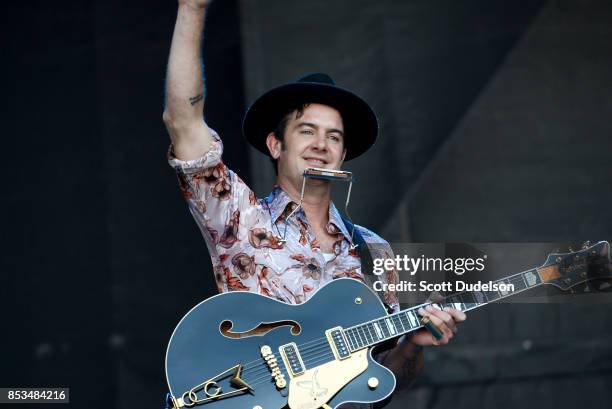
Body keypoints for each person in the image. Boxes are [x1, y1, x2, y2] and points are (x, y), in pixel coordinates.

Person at [163, 0, 467, 406]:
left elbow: (380, 384)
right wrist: (193, 8)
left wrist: (413, 343)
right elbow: (183, 122)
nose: (321, 145)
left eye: (334, 136)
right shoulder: (238, 215)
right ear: (276, 145)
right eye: (307, 131)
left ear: (343, 154)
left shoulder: (374, 252)